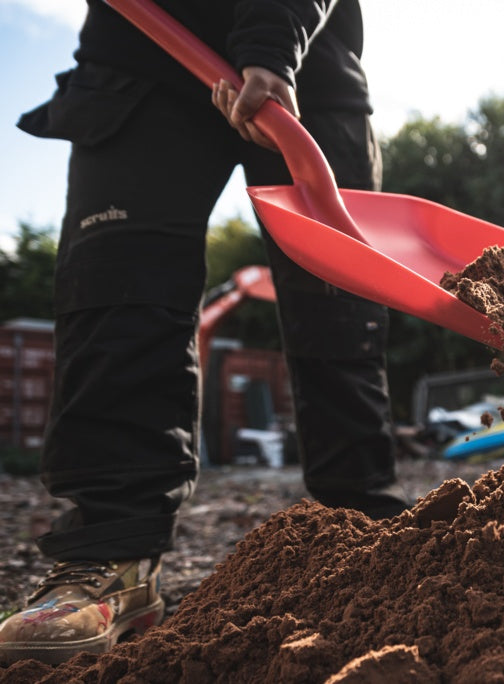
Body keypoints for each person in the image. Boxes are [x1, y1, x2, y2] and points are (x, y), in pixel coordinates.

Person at [0, 0, 407, 665]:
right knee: (118, 291)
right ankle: (111, 554)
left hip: (309, 71)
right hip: (140, 55)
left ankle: (368, 533)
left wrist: (272, 43)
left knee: (338, 308)